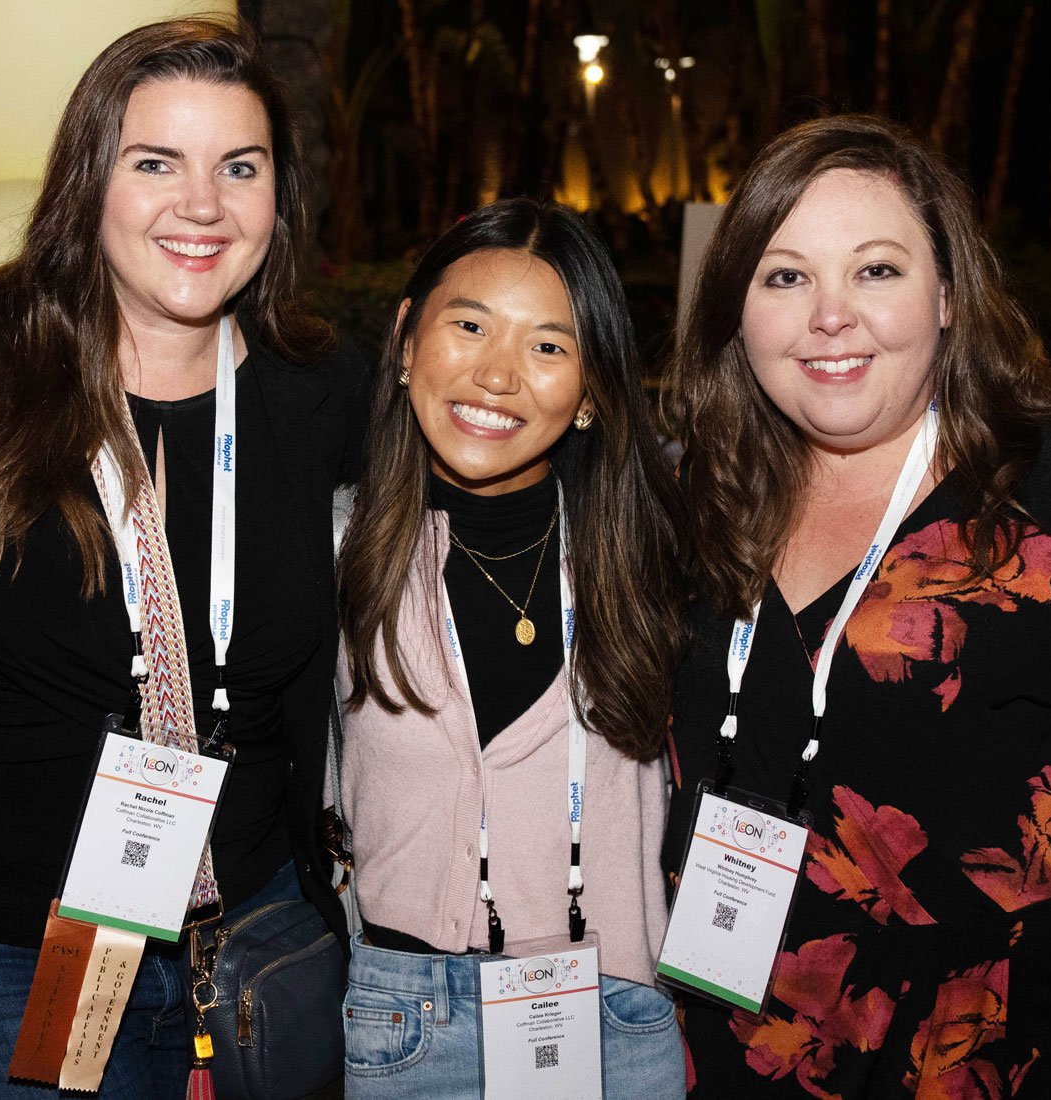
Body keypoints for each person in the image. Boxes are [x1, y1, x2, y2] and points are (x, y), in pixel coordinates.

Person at [663, 114, 1051, 1098]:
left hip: (984, 1063)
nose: (829, 315)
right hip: (718, 1046)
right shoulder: (697, 495)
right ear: (735, 310)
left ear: (945, 293)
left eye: (875, 269)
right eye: (784, 275)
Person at [0, 19, 367, 1098]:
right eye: (153, 161)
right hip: (18, 956)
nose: (199, 205)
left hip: (252, 931)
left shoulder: (322, 389)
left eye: (237, 168)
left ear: (276, 196)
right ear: (85, 181)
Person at [333, 198, 689, 1098]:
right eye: (469, 325)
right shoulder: (333, 550)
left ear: (591, 392)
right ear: (409, 340)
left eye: (548, 346)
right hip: (401, 1020)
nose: (497, 375)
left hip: (611, 1014)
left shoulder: (656, 551)